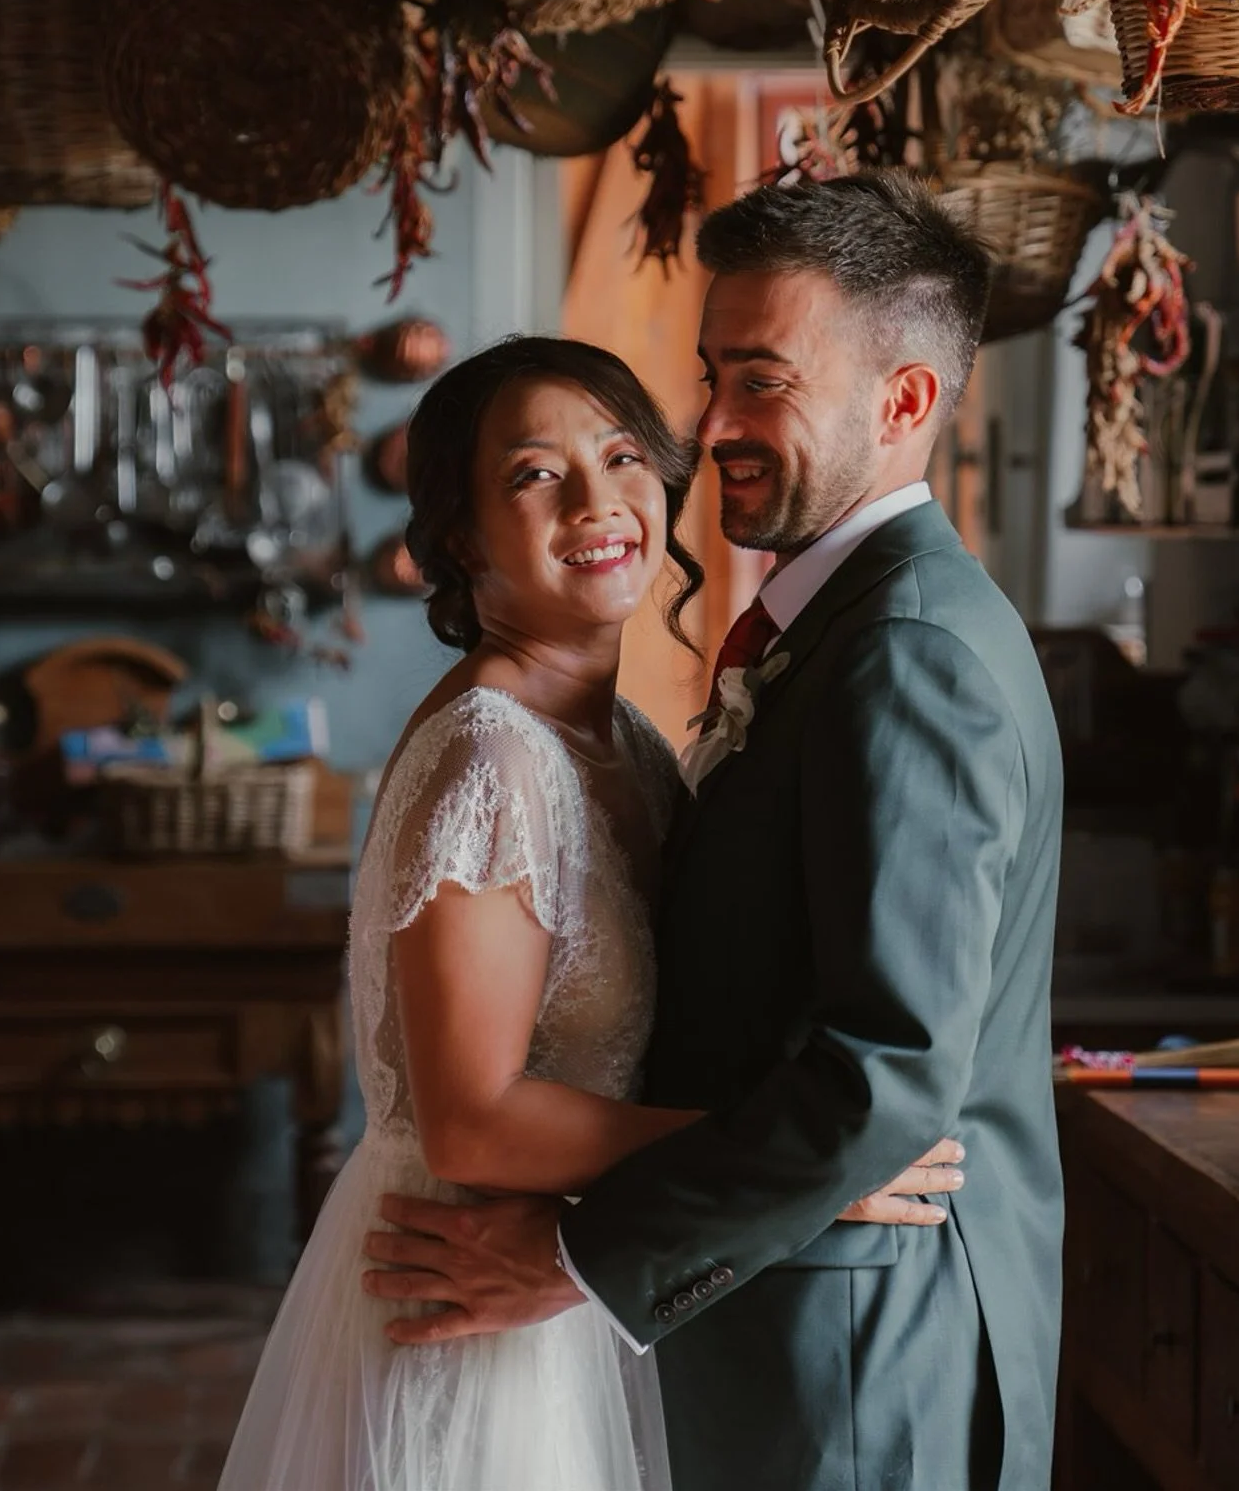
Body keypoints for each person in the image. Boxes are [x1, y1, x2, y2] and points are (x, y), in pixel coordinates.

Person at [365, 171, 1066, 1491]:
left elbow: (887, 1077)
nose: (711, 428)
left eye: (761, 382)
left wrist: (581, 1255)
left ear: (902, 401)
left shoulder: (905, 652)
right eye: (712, 377)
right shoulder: (846, 632)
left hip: (860, 1352)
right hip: (785, 1318)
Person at [217, 333, 963, 1491]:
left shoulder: (621, 742)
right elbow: (472, 1122)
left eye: (622, 458)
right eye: (534, 474)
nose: (597, 501)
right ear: (462, 540)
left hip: (574, 1281)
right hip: (475, 1311)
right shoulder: (491, 761)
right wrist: (797, 1164)